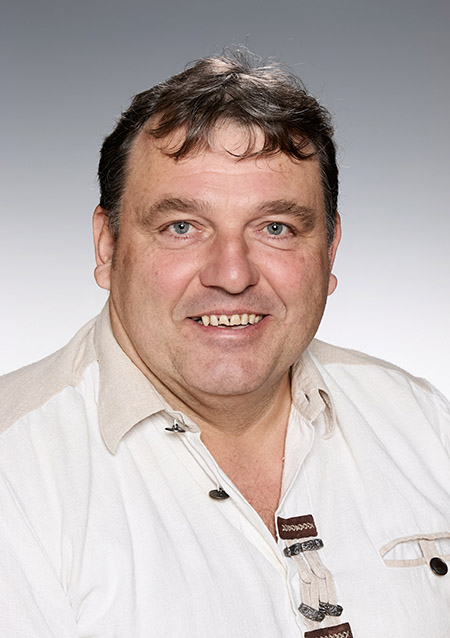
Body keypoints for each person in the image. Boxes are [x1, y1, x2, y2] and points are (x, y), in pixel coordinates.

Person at [1, 50, 449, 638]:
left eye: (275, 228)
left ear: (329, 250)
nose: (233, 275)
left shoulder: (425, 424)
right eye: (182, 227)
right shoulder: (16, 471)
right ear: (107, 247)